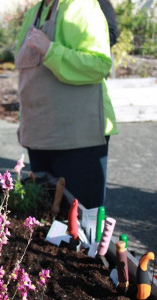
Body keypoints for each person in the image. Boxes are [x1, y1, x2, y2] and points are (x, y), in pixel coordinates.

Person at [15, 0, 118, 209]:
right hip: (39, 139)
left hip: (77, 141)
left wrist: (50, 50)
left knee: (79, 224)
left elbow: (99, 65)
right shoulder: (35, 12)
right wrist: (24, 122)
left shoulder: (81, 6)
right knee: (44, 221)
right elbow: (27, 76)